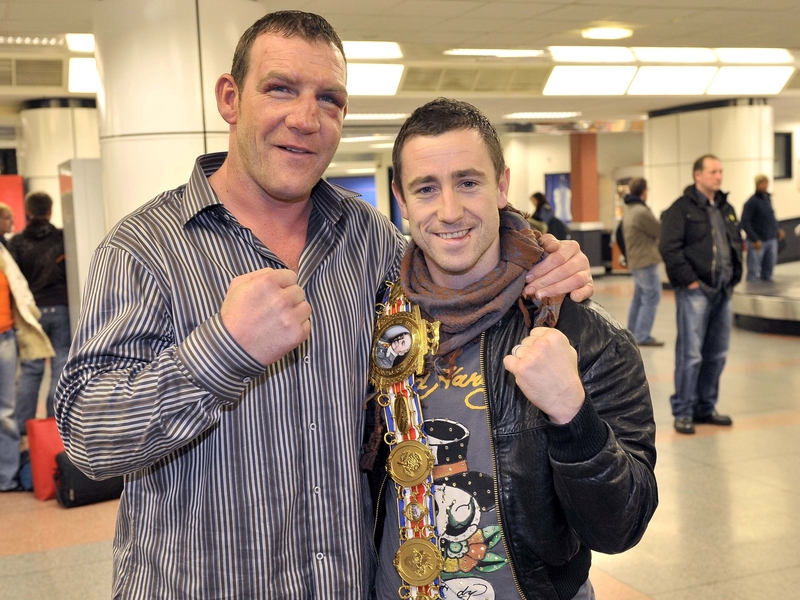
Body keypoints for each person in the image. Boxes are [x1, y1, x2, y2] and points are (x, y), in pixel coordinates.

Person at [55, 11, 595, 599]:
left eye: (330, 99)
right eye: (280, 89)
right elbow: (89, 438)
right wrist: (222, 351)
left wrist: (539, 250)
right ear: (230, 99)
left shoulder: (369, 241)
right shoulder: (144, 249)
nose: (305, 119)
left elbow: (459, 258)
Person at [364, 98, 657, 600]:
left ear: (501, 185)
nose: (450, 210)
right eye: (426, 188)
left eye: (469, 182)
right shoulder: (371, 323)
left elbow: (620, 527)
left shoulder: (583, 334)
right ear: (401, 197)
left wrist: (573, 416)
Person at [659, 155, 742, 435]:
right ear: (697, 175)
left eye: (720, 171)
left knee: (716, 354)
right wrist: (690, 282)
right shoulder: (681, 209)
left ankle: (706, 407)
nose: (718, 176)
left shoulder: (725, 208)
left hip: (723, 291)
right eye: (713, 171)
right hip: (695, 293)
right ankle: (684, 411)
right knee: (691, 355)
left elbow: (734, 244)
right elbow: (669, 248)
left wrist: (735, 277)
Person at [8, 192, 70, 432]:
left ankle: (23, 429)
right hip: (61, 307)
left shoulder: (17, 243)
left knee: (31, 369)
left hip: (31, 312)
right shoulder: (62, 238)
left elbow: (15, 281)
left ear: (28, 211)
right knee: (60, 363)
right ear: (50, 210)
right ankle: (54, 423)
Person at [0, 241, 53, 491]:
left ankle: (6, 478)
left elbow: (18, 289)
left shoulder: (2, 252)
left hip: (6, 336)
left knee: (5, 413)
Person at [622, 177, 664, 347]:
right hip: (646, 260)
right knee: (651, 297)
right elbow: (658, 230)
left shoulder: (630, 210)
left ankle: (632, 332)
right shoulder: (641, 211)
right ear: (644, 192)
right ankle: (642, 335)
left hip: (635, 258)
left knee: (639, 297)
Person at [741, 174, 785, 282]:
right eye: (762, 183)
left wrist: (777, 229)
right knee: (754, 273)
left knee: (768, 271)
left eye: (766, 183)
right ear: (757, 184)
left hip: (771, 239)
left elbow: (771, 216)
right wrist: (755, 239)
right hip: (758, 242)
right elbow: (744, 222)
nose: (765, 185)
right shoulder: (751, 202)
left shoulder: (767, 199)